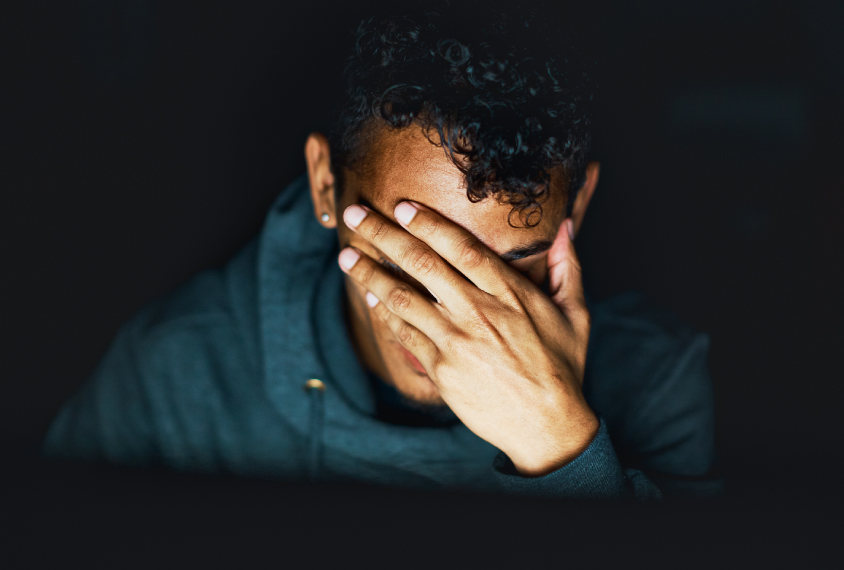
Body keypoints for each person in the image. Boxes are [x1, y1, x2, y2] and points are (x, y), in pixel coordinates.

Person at [42, 4, 719, 499]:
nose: (456, 314)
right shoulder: (176, 371)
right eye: (411, 249)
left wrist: (564, 452)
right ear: (325, 184)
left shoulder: (657, 380)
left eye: (511, 263)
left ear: (578, 206)